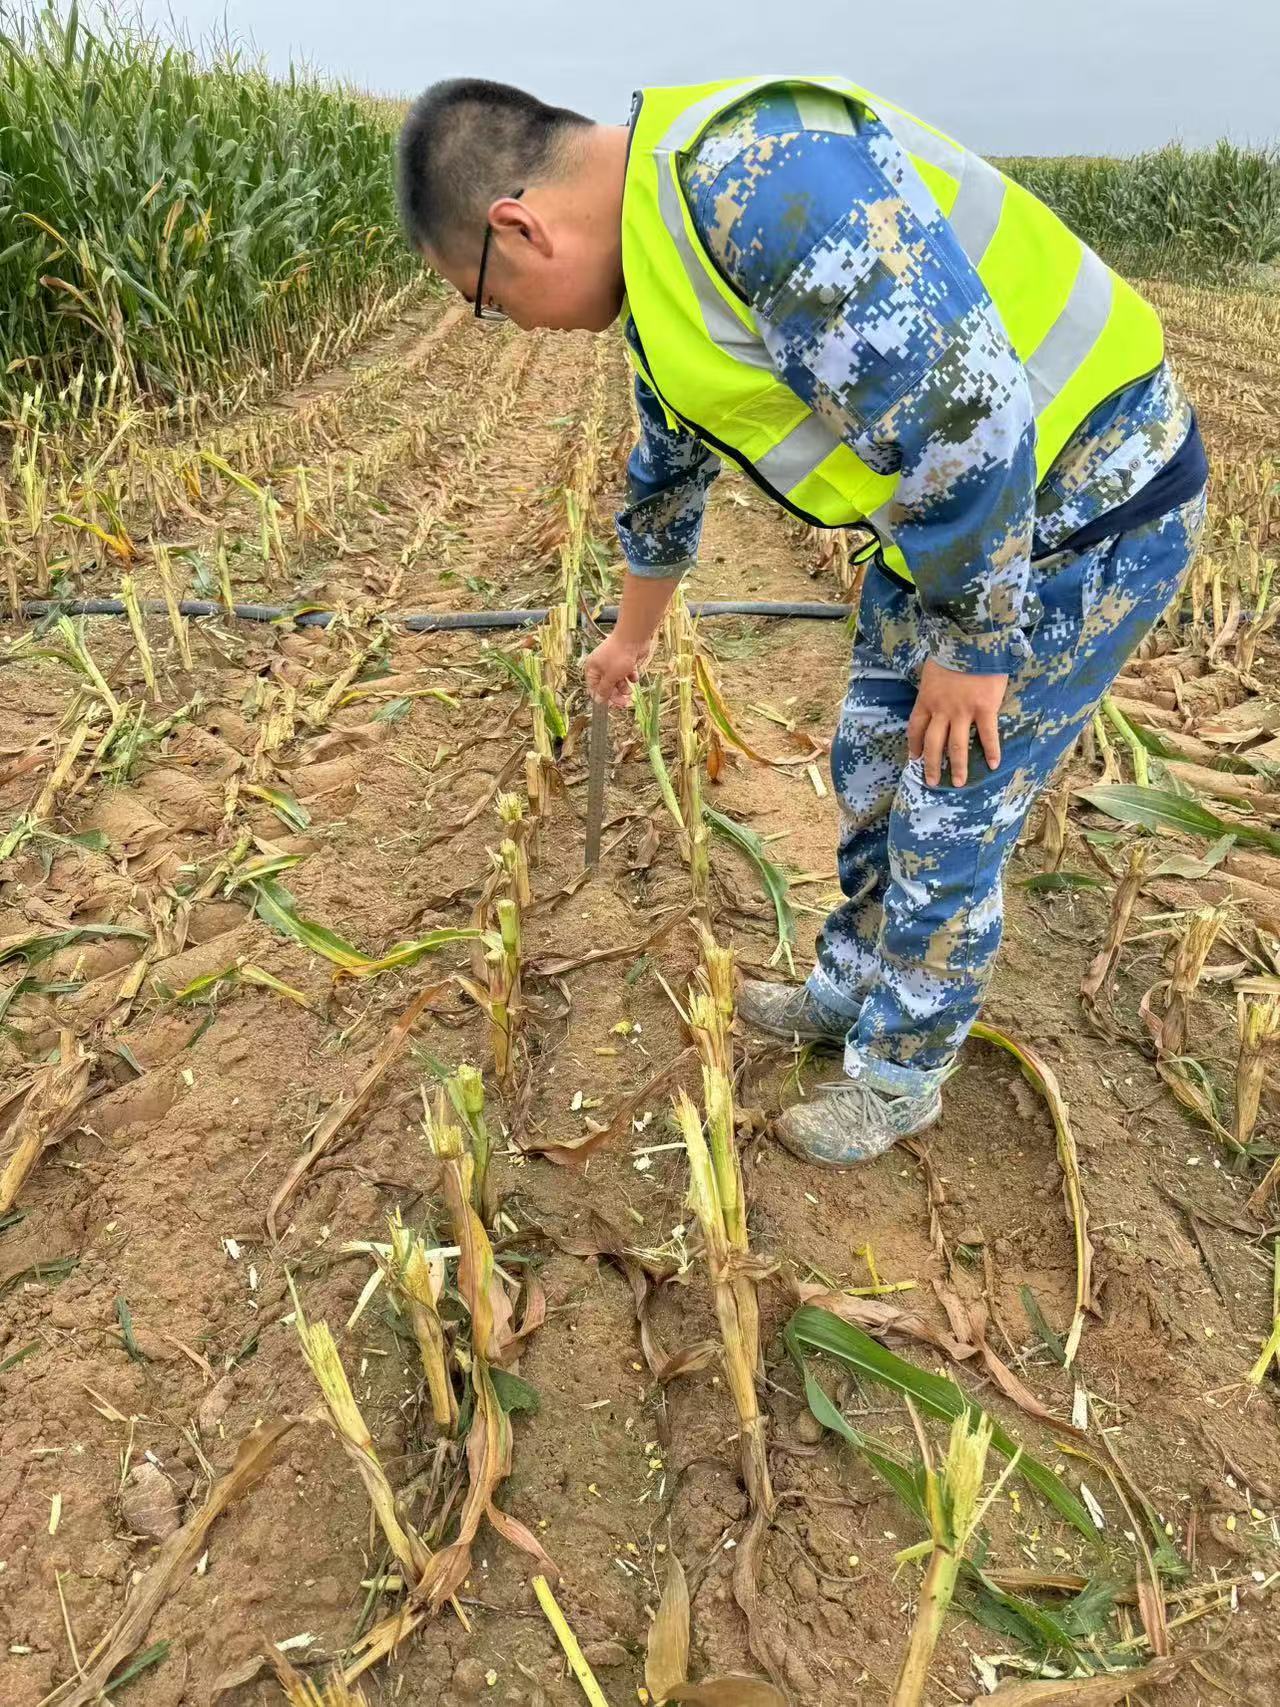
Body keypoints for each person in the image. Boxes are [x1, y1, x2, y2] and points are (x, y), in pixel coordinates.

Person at [396, 75, 1208, 1167]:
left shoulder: (754, 181)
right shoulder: (659, 270)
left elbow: (970, 412)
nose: (507, 327)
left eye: (481, 300)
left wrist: (974, 650)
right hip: (950, 527)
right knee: (871, 755)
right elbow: (664, 475)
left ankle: (899, 1075)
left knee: (946, 803)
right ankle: (852, 988)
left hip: (1086, 502)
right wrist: (630, 637)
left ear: (518, 228)